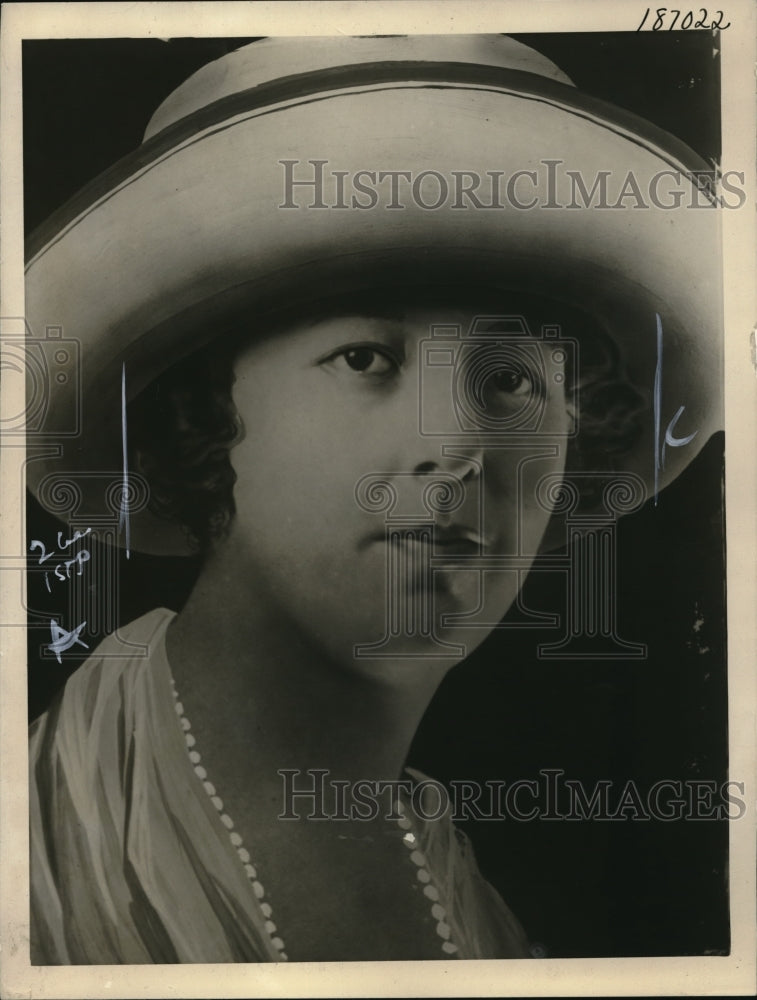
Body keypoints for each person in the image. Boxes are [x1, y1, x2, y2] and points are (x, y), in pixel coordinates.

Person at [25, 35, 723, 963]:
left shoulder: (458, 892)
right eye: (365, 359)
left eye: (511, 379)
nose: (454, 447)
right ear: (205, 416)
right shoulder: (38, 836)